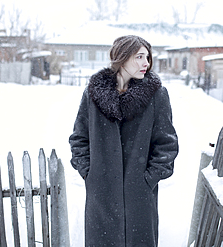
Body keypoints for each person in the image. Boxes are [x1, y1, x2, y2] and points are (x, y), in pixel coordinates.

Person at [69, 35, 179, 247]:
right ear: (121, 58)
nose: (146, 63)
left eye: (147, 56)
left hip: (139, 198)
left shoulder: (156, 95)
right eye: (139, 56)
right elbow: (79, 138)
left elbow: (167, 143)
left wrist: (146, 179)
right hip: (100, 197)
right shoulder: (93, 94)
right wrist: (89, 173)